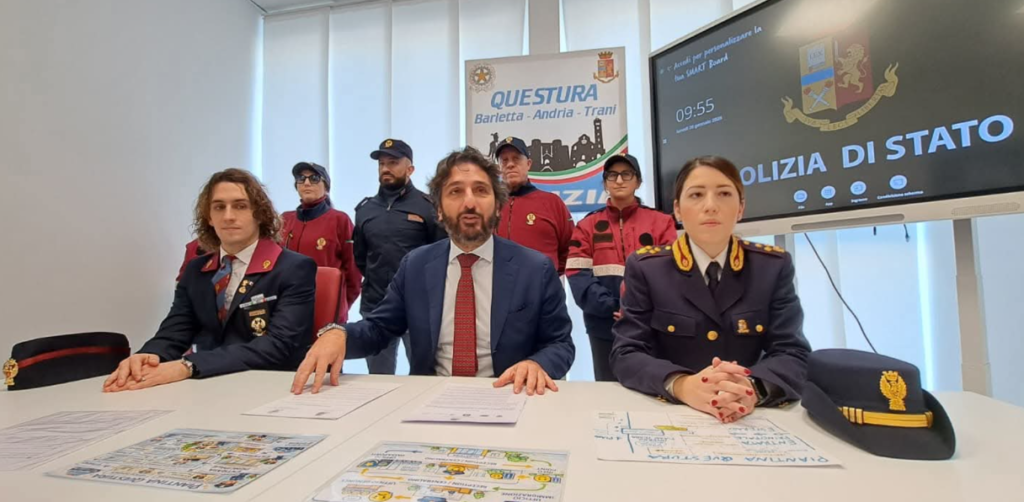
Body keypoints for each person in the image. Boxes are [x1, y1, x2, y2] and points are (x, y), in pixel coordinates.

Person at [292, 146, 575, 396]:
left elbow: (560, 344)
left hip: (508, 395)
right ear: (438, 210)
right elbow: (379, 328)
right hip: (429, 400)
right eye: (455, 191)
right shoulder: (416, 265)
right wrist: (338, 334)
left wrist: (536, 364)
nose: (469, 203)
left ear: (498, 208)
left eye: (480, 190)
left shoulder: (535, 269)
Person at [610, 156, 810, 422]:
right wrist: (681, 384)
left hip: (747, 416)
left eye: (724, 194)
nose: (711, 206)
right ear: (677, 210)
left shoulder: (771, 266)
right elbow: (626, 353)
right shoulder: (647, 268)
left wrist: (752, 388)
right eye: (696, 195)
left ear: (740, 207)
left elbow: (793, 353)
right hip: (672, 414)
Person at [103, 169, 316, 392]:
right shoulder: (196, 270)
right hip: (205, 385)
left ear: (260, 214)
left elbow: (278, 345)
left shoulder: (294, 268)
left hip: (268, 385)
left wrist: (188, 366)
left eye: (240, 206)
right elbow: (176, 330)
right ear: (209, 218)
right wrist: (149, 356)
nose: (228, 216)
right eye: (219, 207)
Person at [566, 154, 677, 382]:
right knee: (608, 391)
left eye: (626, 174)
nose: (619, 180)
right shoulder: (587, 225)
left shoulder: (661, 222)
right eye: (612, 175)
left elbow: (671, 274)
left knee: (652, 387)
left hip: (651, 325)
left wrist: (637, 308)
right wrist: (612, 307)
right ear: (605, 183)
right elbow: (577, 274)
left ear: (638, 181)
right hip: (603, 325)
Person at [354, 139, 447, 374]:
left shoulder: (428, 207)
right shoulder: (365, 209)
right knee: (378, 378)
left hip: (418, 307)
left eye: (393, 162)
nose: (386, 168)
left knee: (423, 376)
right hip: (376, 306)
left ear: (410, 169)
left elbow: (441, 255)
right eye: (382, 163)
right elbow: (361, 258)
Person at [281, 161, 361, 323]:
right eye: (301, 178)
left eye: (314, 178)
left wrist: (340, 305)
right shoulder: (285, 220)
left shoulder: (339, 220)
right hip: (288, 308)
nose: (307, 183)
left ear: (326, 187)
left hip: (327, 308)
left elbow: (353, 271)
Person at [493, 137, 574, 275]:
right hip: (499, 286)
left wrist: (548, 275)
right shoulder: (490, 205)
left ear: (528, 164)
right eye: (504, 160)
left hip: (543, 286)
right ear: (499, 168)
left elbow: (571, 250)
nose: (510, 164)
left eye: (516, 159)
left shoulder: (552, 203)